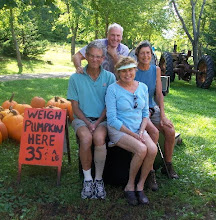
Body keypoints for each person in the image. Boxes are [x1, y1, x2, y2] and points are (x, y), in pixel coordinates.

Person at [105, 56, 157, 206]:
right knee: (141, 149)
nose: (127, 74)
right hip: (119, 129)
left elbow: (145, 114)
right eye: (123, 71)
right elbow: (112, 119)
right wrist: (134, 135)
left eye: (130, 70)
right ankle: (130, 186)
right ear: (118, 73)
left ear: (135, 70)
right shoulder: (112, 89)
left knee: (152, 149)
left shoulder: (143, 87)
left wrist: (141, 131)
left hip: (138, 128)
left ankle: (140, 186)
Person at [67, 41, 116, 199]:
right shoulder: (76, 78)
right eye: (92, 56)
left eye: (99, 57)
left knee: (99, 138)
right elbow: (74, 108)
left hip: (101, 119)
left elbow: (109, 105)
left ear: (103, 59)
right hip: (81, 118)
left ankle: (98, 179)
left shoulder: (109, 77)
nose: (95, 59)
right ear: (86, 57)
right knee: (86, 138)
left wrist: (97, 122)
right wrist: (88, 123)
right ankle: (88, 180)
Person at [135, 41, 179, 190]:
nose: (145, 56)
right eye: (142, 53)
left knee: (170, 131)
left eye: (148, 53)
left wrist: (163, 116)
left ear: (152, 55)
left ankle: (167, 166)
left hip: (153, 108)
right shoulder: (133, 70)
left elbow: (159, 94)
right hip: (138, 111)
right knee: (152, 134)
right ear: (137, 55)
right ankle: (150, 171)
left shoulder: (156, 70)